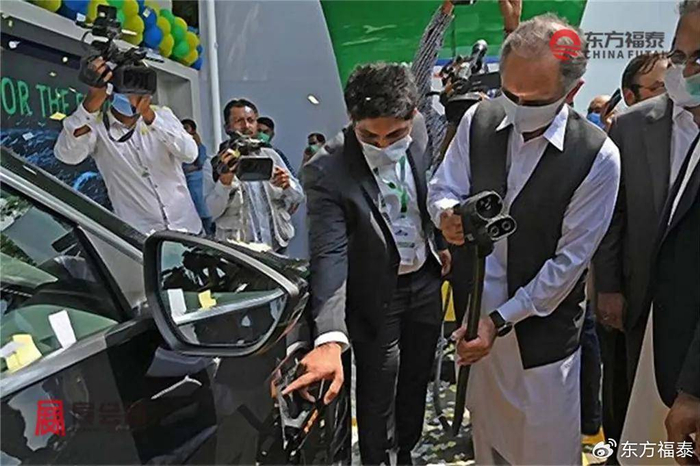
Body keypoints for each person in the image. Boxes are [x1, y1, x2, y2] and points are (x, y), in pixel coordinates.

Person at [429, 14, 621, 464]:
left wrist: (499, 320)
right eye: (509, 92)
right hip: (474, 326)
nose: (517, 107)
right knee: (488, 445)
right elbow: (443, 186)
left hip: (539, 341)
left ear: (571, 91)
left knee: (543, 449)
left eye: (533, 100)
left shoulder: (596, 156)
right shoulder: (480, 119)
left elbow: (567, 265)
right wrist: (446, 216)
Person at [283, 63, 451, 465]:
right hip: (376, 296)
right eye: (369, 136)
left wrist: (439, 241)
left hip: (425, 280)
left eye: (394, 135)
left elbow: (426, 195)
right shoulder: (326, 169)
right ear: (351, 119)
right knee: (378, 392)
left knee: (415, 381)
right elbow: (329, 254)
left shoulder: (420, 132)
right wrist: (329, 338)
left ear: (412, 115)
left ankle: (406, 452)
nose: (383, 144)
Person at [592, 1, 700, 459]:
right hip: (640, 305)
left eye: (697, 58)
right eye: (679, 56)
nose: (684, 70)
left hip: (690, 329)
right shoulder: (632, 127)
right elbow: (612, 215)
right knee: (634, 430)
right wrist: (609, 287)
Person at [55, 58, 201, 235]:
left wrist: (150, 117)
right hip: (142, 237)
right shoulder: (98, 127)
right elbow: (67, 155)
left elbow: (190, 154)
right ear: (112, 90)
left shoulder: (163, 115)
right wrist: (90, 104)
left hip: (188, 228)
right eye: (129, 86)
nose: (136, 93)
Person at [204, 99, 304, 252]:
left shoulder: (272, 156)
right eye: (239, 121)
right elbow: (209, 213)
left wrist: (287, 185)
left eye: (251, 120)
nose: (246, 126)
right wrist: (224, 182)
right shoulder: (214, 163)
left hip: (276, 247)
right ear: (227, 127)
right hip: (237, 252)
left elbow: (299, 196)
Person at [181, 119, 214, 235]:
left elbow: (200, 163)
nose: (184, 131)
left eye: (186, 128)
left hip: (197, 183)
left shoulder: (199, 146)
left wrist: (186, 169)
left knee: (202, 208)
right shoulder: (180, 146)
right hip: (186, 185)